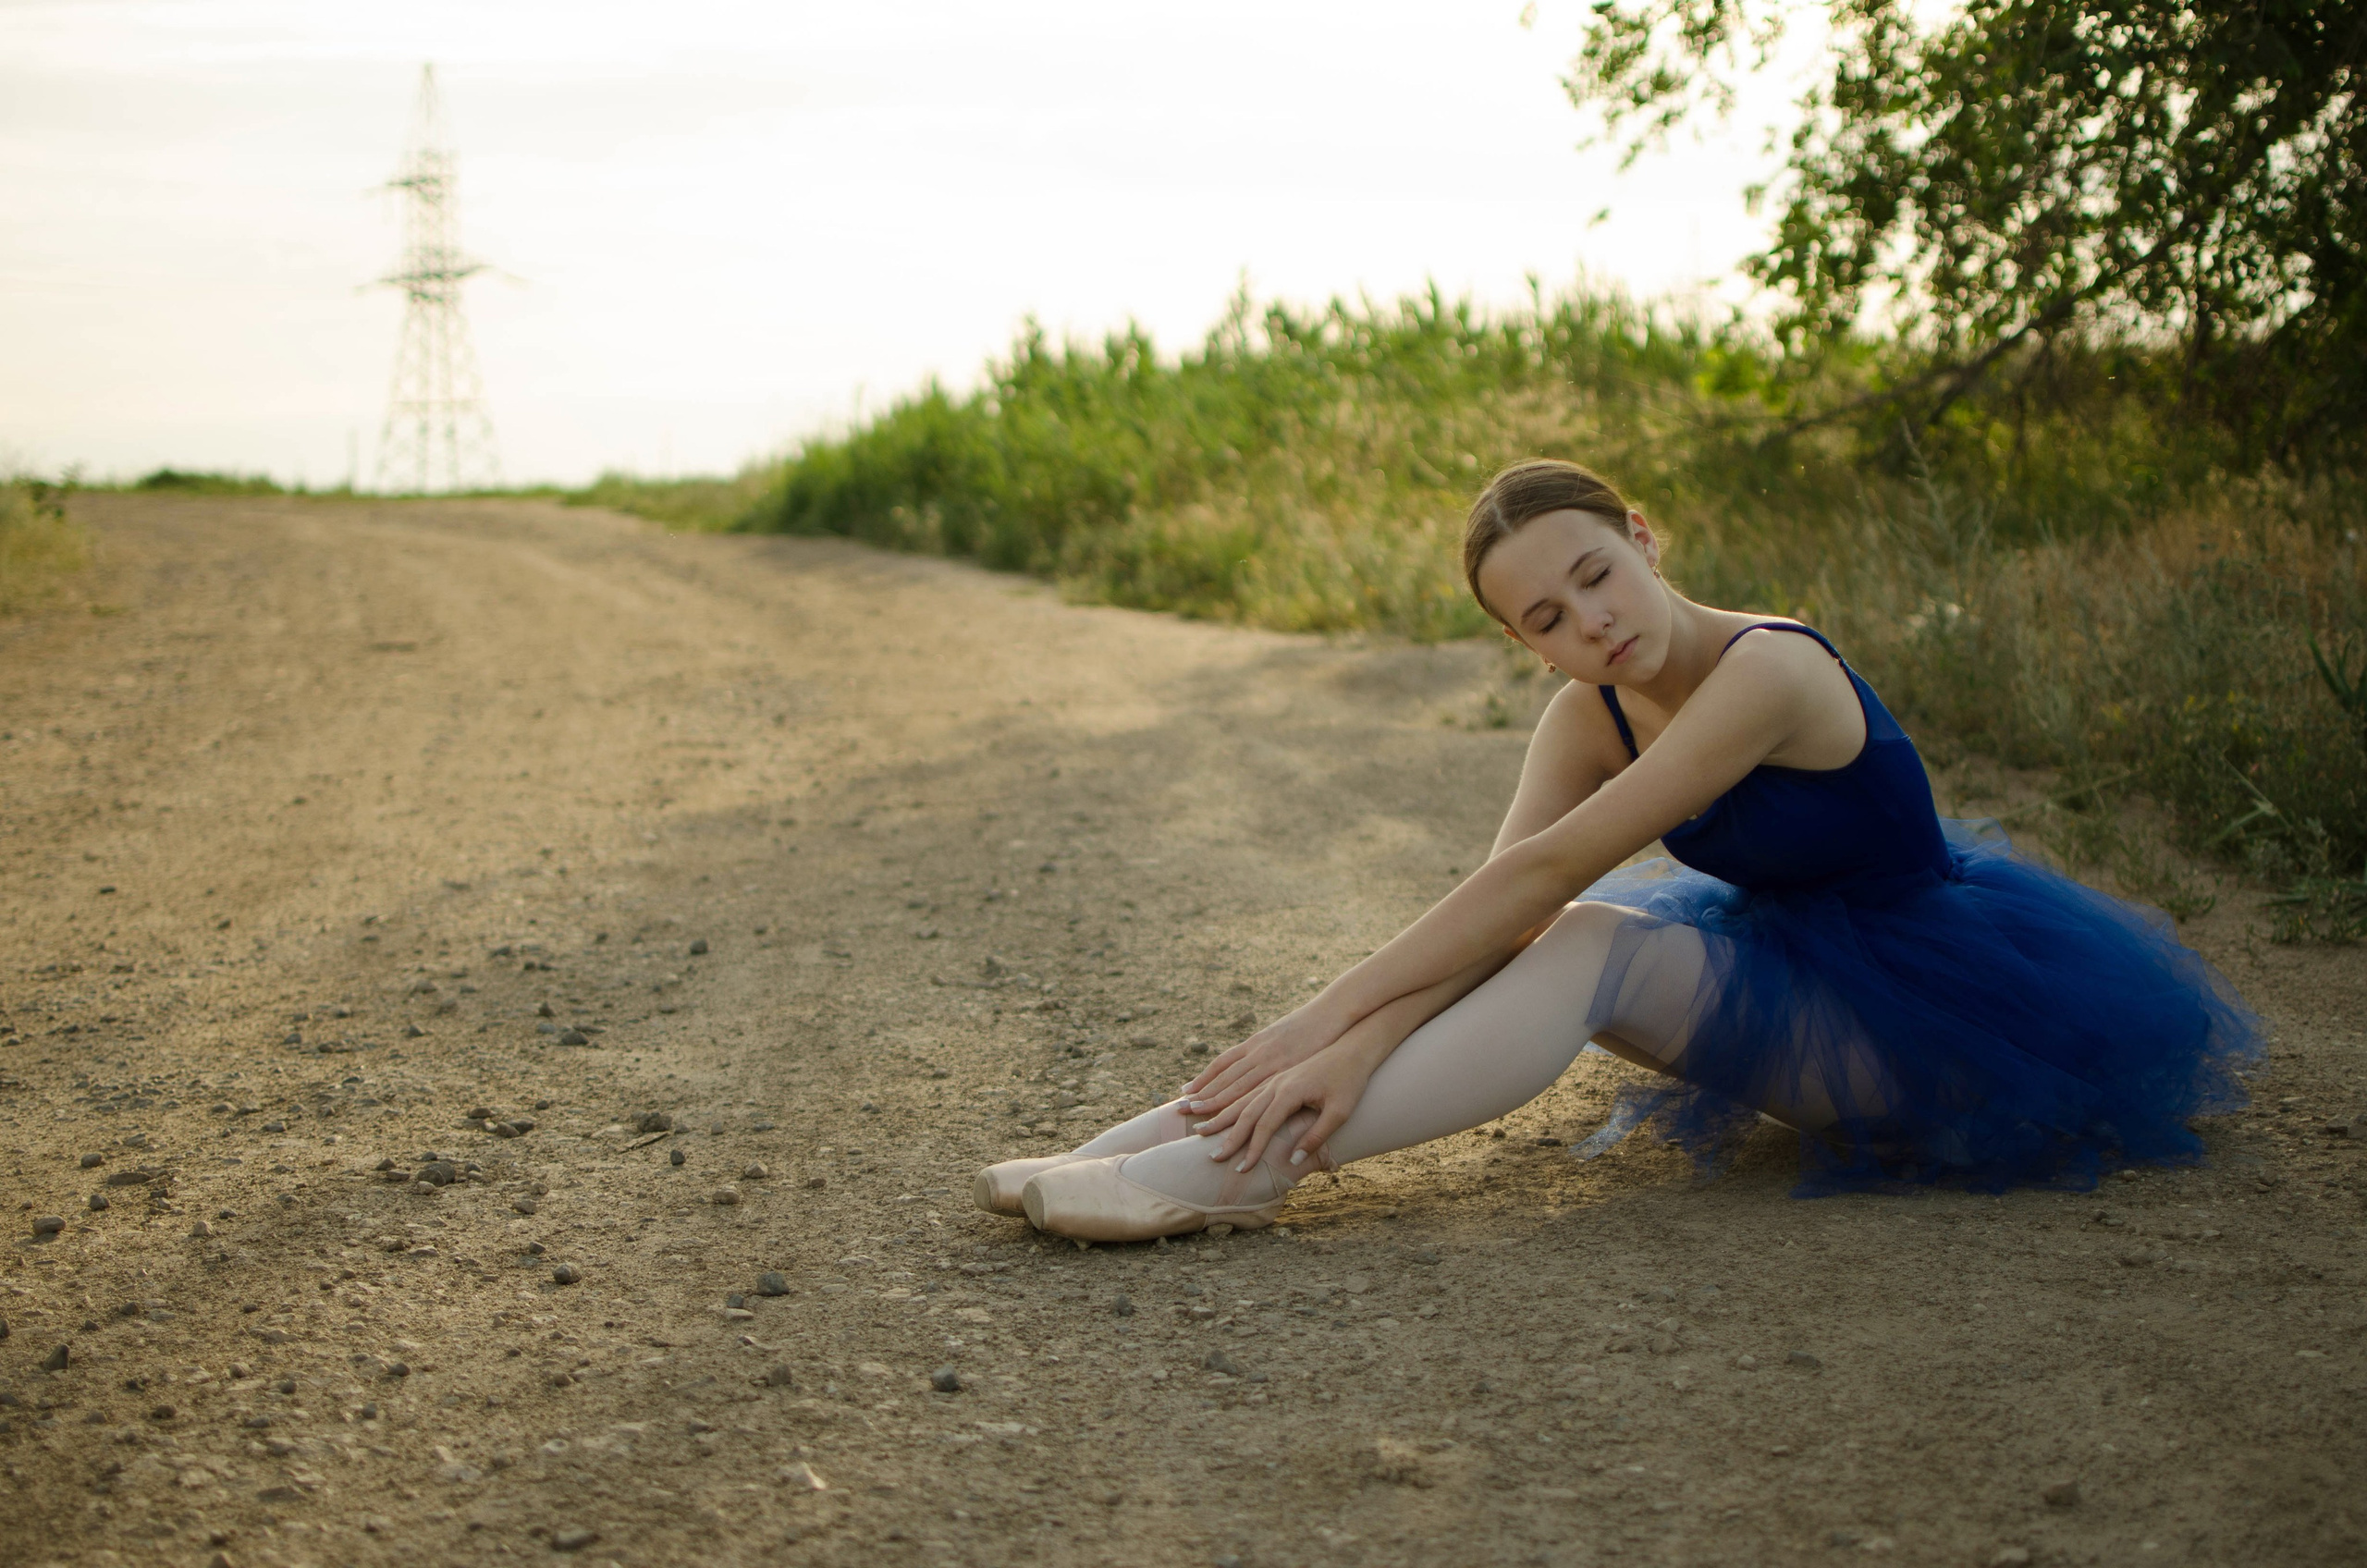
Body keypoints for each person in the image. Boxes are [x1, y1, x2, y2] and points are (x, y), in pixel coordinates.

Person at [974, 459, 2261, 1242]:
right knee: (1544, 937)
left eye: (1597, 575)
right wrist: (1347, 1041)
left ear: (1645, 539)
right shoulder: (1584, 715)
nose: (1591, 623)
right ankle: (1133, 1151)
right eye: (1547, 617)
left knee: (1594, 942)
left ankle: (1230, 1174)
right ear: (1528, 645)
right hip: (1820, 1001)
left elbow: (1544, 891)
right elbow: (1494, 912)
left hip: (1957, 1040)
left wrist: (1320, 1018)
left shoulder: (1770, 671)